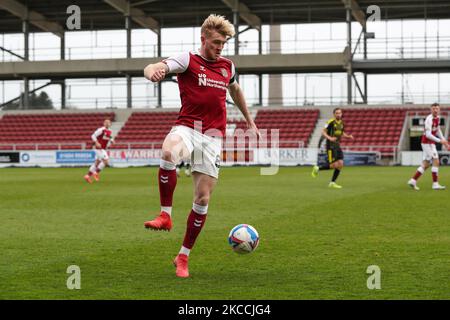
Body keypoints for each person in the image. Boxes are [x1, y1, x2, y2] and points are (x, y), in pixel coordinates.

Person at [142, 14, 259, 278]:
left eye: (223, 44)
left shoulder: (227, 66)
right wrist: (154, 72)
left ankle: (183, 257)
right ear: (203, 38)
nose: (220, 48)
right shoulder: (188, 59)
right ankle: (165, 215)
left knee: (203, 198)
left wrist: (250, 121)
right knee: (169, 150)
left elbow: (236, 90)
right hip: (188, 128)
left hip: (213, 137)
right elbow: (151, 67)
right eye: (216, 42)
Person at [408, 103, 449, 190]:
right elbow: (428, 135)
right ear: (431, 110)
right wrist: (440, 141)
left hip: (431, 143)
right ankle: (435, 184)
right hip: (427, 143)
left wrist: (444, 140)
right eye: (433, 108)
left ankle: (413, 180)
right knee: (436, 161)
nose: (435, 110)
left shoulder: (438, 118)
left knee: (426, 164)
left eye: (437, 108)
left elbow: (437, 130)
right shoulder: (428, 119)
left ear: (439, 110)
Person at [311, 108, 354, 188]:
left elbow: (341, 132)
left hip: (337, 145)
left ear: (341, 114)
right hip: (330, 145)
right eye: (337, 113)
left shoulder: (342, 123)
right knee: (333, 165)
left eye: (340, 113)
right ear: (334, 114)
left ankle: (332, 182)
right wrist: (330, 138)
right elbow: (323, 132)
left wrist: (348, 136)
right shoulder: (330, 122)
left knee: (340, 163)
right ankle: (317, 168)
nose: (338, 114)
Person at [84, 119, 114, 184]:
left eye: (108, 122)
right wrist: (97, 142)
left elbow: (109, 136)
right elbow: (93, 136)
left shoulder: (110, 131)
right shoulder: (101, 130)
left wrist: (112, 140)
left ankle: (87, 176)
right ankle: (96, 173)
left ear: (110, 124)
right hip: (98, 148)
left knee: (97, 162)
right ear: (104, 123)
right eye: (105, 122)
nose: (107, 123)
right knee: (106, 161)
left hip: (102, 148)